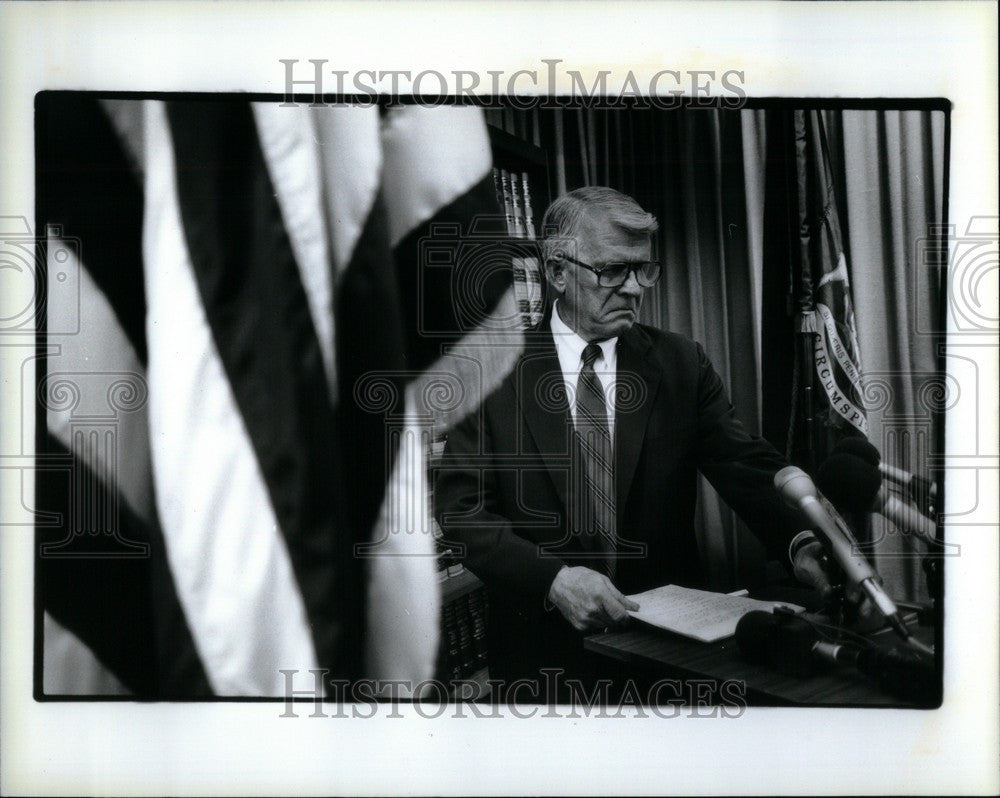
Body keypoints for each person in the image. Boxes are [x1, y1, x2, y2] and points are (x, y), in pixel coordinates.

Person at [434, 186, 826, 702]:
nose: (634, 288)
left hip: (669, 662)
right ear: (556, 273)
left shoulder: (682, 363)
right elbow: (462, 512)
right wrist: (551, 580)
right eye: (612, 271)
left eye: (643, 269)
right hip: (542, 667)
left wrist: (803, 540)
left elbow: (745, 465)